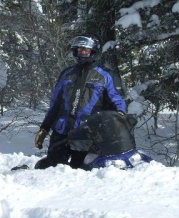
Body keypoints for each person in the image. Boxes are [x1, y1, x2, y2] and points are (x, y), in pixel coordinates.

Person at [34, 34, 127, 169]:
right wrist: (44, 128)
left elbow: (116, 98)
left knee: (81, 172)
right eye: (79, 50)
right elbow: (55, 104)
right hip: (62, 131)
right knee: (53, 169)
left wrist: (120, 114)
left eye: (86, 50)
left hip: (87, 132)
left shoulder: (104, 76)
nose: (82, 53)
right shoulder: (67, 74)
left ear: (92, 52)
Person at [67, 110, 152, 170]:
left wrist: (121, 113)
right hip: (78, 127)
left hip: (112, 134)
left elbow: (117, 99)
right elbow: (76, 137)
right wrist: (74, 136)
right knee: (83, 162)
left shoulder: (107, 87)